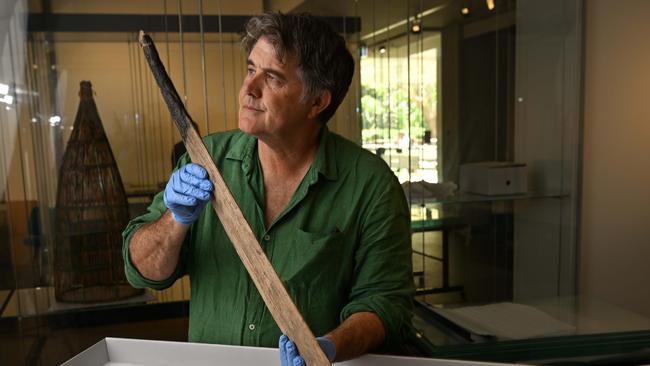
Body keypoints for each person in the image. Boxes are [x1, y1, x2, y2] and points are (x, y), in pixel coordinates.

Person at [122, 12, 414, 364]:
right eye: (250, 70)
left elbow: (385, 303)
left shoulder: (371, 185)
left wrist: (329, 347)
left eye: (272, 77)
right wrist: (176, 220)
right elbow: (142, 272)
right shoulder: (207, 160)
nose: (249, 88)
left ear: (318, 101)